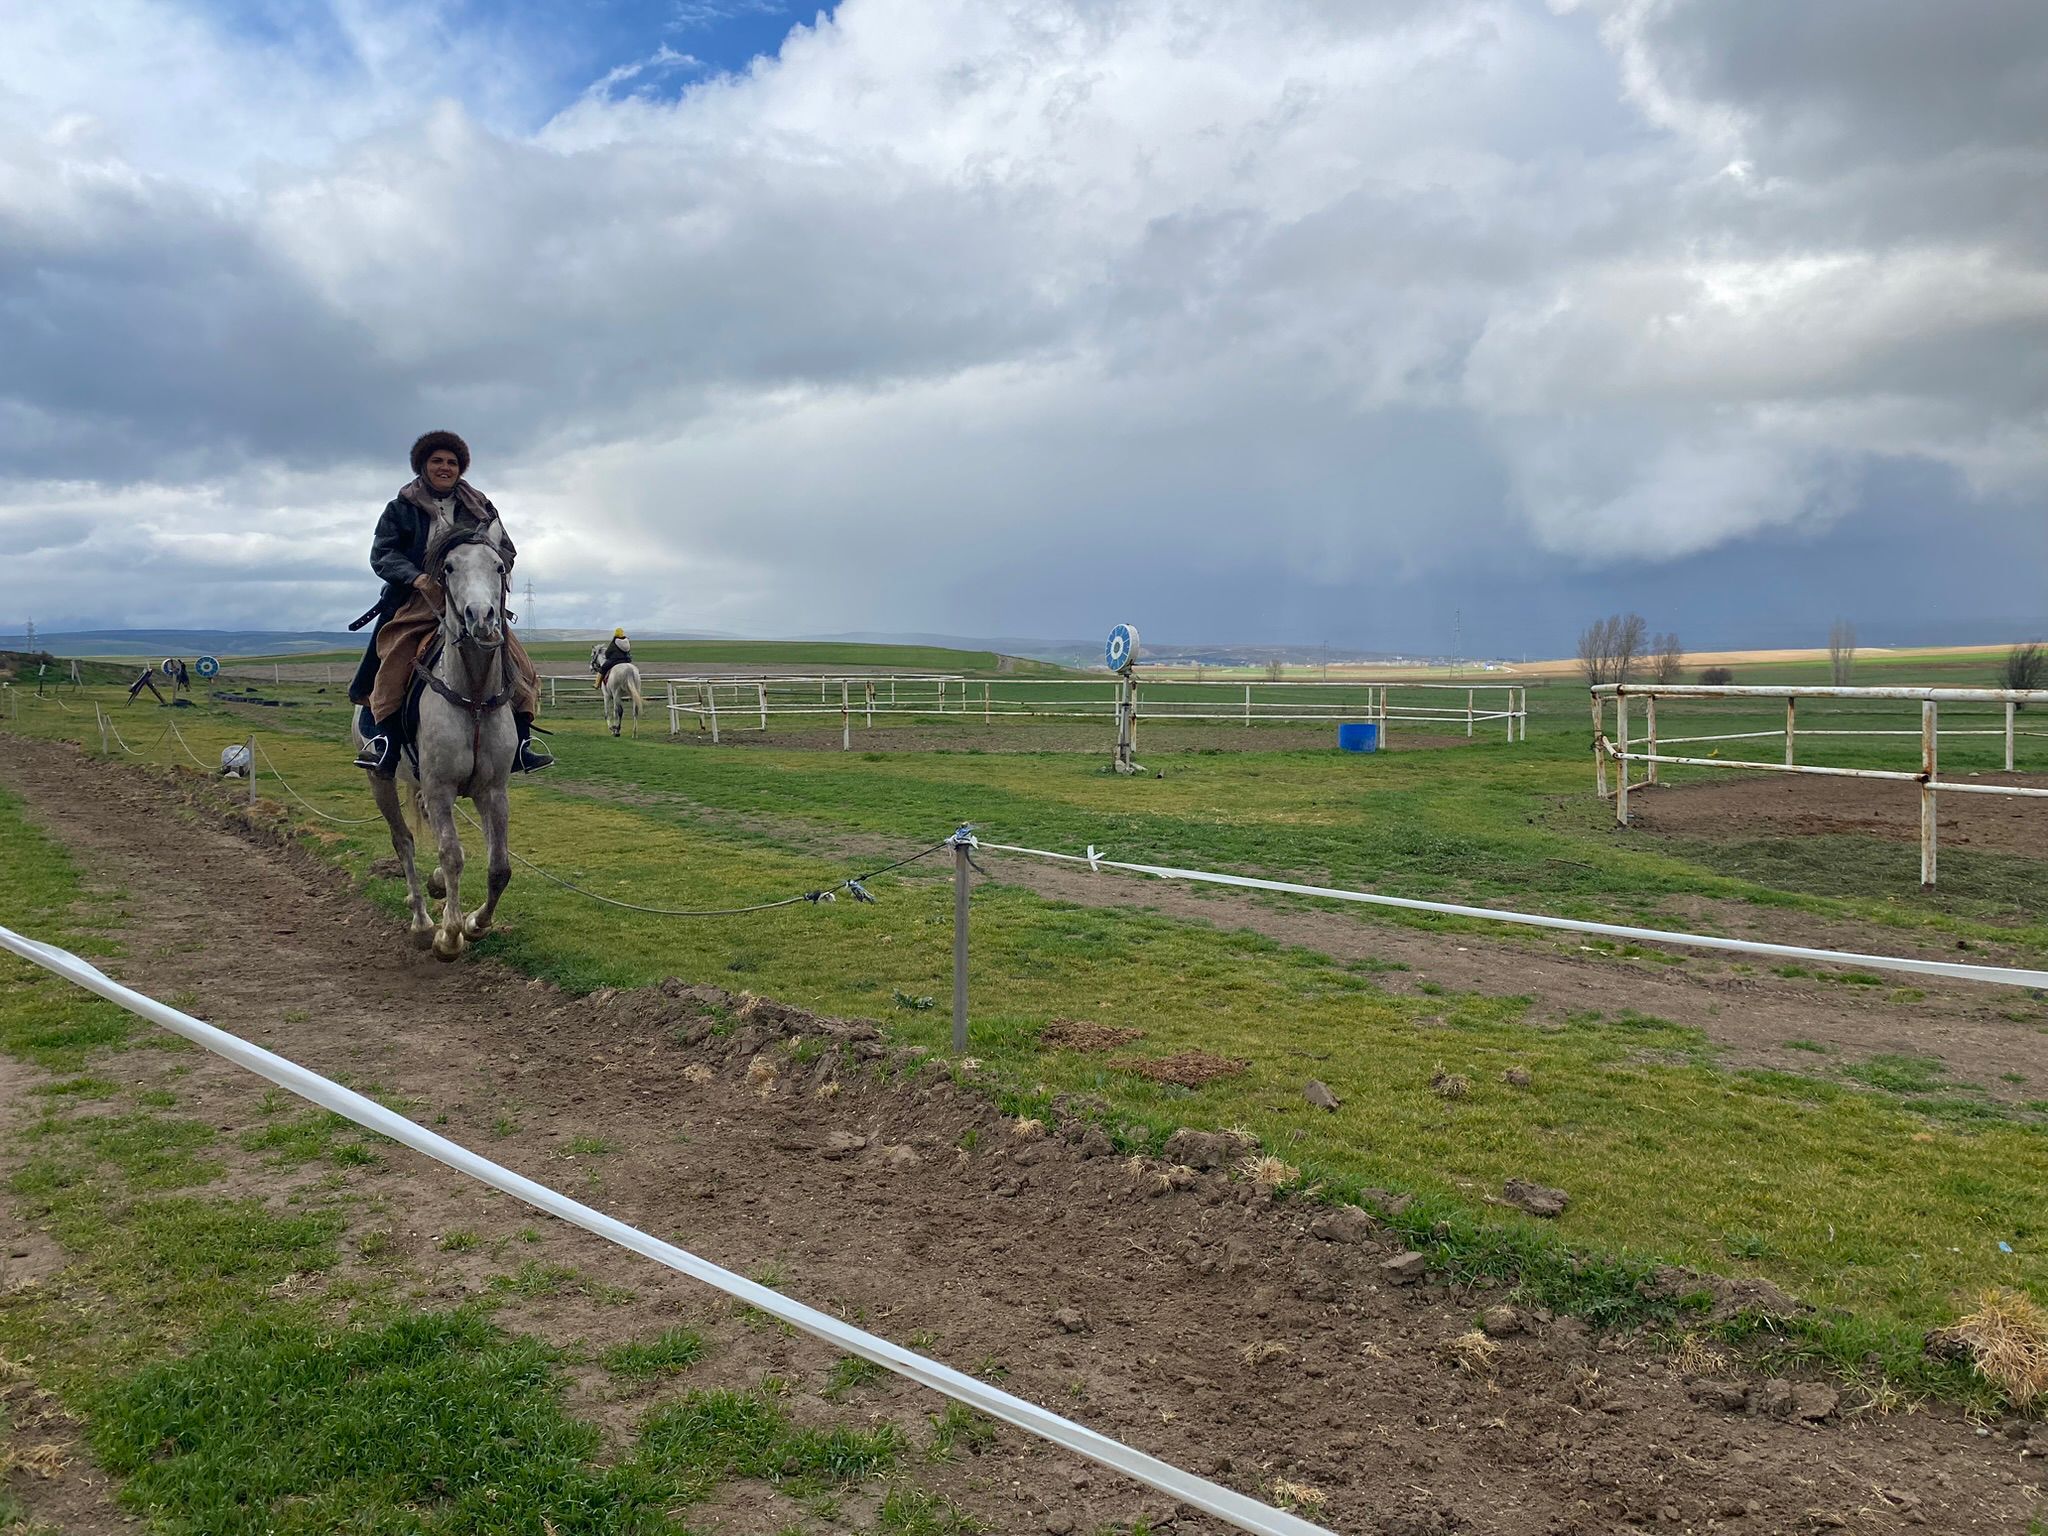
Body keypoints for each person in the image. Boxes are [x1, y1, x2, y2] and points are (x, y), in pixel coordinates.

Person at [348, 431, 552, 776]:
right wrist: (418, 578)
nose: (445, 467)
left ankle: (521, 743)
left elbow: (506, 551)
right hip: (417, 602)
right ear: (423, 466)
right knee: (389, 664)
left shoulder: (480, 507)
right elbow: (382, 554)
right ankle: (385, 743)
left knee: (519, 666)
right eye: (437, 461)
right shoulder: (401, 508)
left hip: (470, 601)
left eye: (452, 462)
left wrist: (486, 578)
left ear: (461, 468)